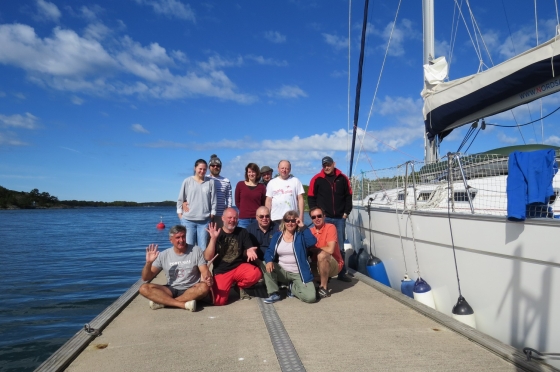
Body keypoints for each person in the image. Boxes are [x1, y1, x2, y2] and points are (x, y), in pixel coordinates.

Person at [139, 225, 212, 311]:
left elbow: (204, 271)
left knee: (204, 287)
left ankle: (164, 303)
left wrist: (208, 277)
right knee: (143, 288)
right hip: (171, 289)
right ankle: (182, 304)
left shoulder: (196, 250)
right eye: (178, 237)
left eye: (183, 236)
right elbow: (146, 277)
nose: (181, 240)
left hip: (191, 289)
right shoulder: (164, 255)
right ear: (171, 240)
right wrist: (148, 263)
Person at [307, 156, 353, 282]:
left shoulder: (342, 178)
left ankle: (342, 273)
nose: (326, 167)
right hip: (323, 218)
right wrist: (314, 214)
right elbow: (311, 197)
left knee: (340, 246)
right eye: (324, 165)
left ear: (334, 164)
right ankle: (324, 271)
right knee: (322, 245)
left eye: (328, 164)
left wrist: (345, 214)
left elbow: (349, 196)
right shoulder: (317, 179)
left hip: (339, 218)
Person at [205, 208, 262, 306]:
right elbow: (208, 257)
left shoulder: (242, 232)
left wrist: (249, 250)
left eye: (235, 218)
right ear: (223, 218)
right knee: (218, 302)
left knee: (255, 274)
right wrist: (213, 239)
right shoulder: (215, 233)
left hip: (238, 267)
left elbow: (249, 248)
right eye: (229, 217)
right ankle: (227, 284)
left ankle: (238, 286)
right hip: (222, 271)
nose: (232, 220)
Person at [262, 210, 317, 304]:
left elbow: (312, 242)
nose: (290, 223)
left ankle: (292, 288)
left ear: (296, 221)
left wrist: (302, 226)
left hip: (299, 273)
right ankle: (274, 293)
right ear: (284, 222)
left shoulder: (301, 235)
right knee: (265, 263)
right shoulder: (277, 235)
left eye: (293, 220)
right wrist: (269, 260)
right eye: (287, 220)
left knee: (311, 298)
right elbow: (270, 251)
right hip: (283, 271)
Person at [177, 159, 216, 250]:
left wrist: (212, 213)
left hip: (204, 221)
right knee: (188, 247)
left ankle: (202, 264)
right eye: (200, 169)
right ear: (195, 168)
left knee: (202, 248)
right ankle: (190, 265)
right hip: (188, 220)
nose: (202, 171)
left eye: (204, 169)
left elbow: (214, 200)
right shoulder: (187, 181)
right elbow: (180, 199)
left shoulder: (210, 182)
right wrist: (180, 214)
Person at [308, 207, 346, 298]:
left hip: (334, 263)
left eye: (319, 216)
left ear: (324, 216)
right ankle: (322, 278)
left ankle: (323, 287)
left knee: (322, 254)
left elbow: (330, 250)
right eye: (313, 217)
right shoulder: (310, 232)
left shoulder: (330, 227)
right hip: (316, 263)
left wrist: (315, 249)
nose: (317, 219)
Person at [235, 163, 267, 229]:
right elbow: (237, 201)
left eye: (253, 172)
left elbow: (263, 203)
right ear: (246, 173)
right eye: (249, 172)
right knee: (243, 238)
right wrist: (243, 210)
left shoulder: (262, 187)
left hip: (257, 219)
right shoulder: (240, 185)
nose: (251, 174)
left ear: (257, 173)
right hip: (243, 219)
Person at [207, 154, 232, 229]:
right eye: (213, 165)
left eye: (218, 166)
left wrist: (228, 210)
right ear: (209, 167)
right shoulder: (205, 179)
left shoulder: (226, 181)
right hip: (206, 214)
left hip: (220, 215)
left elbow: (229, 197)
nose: (215, 167)